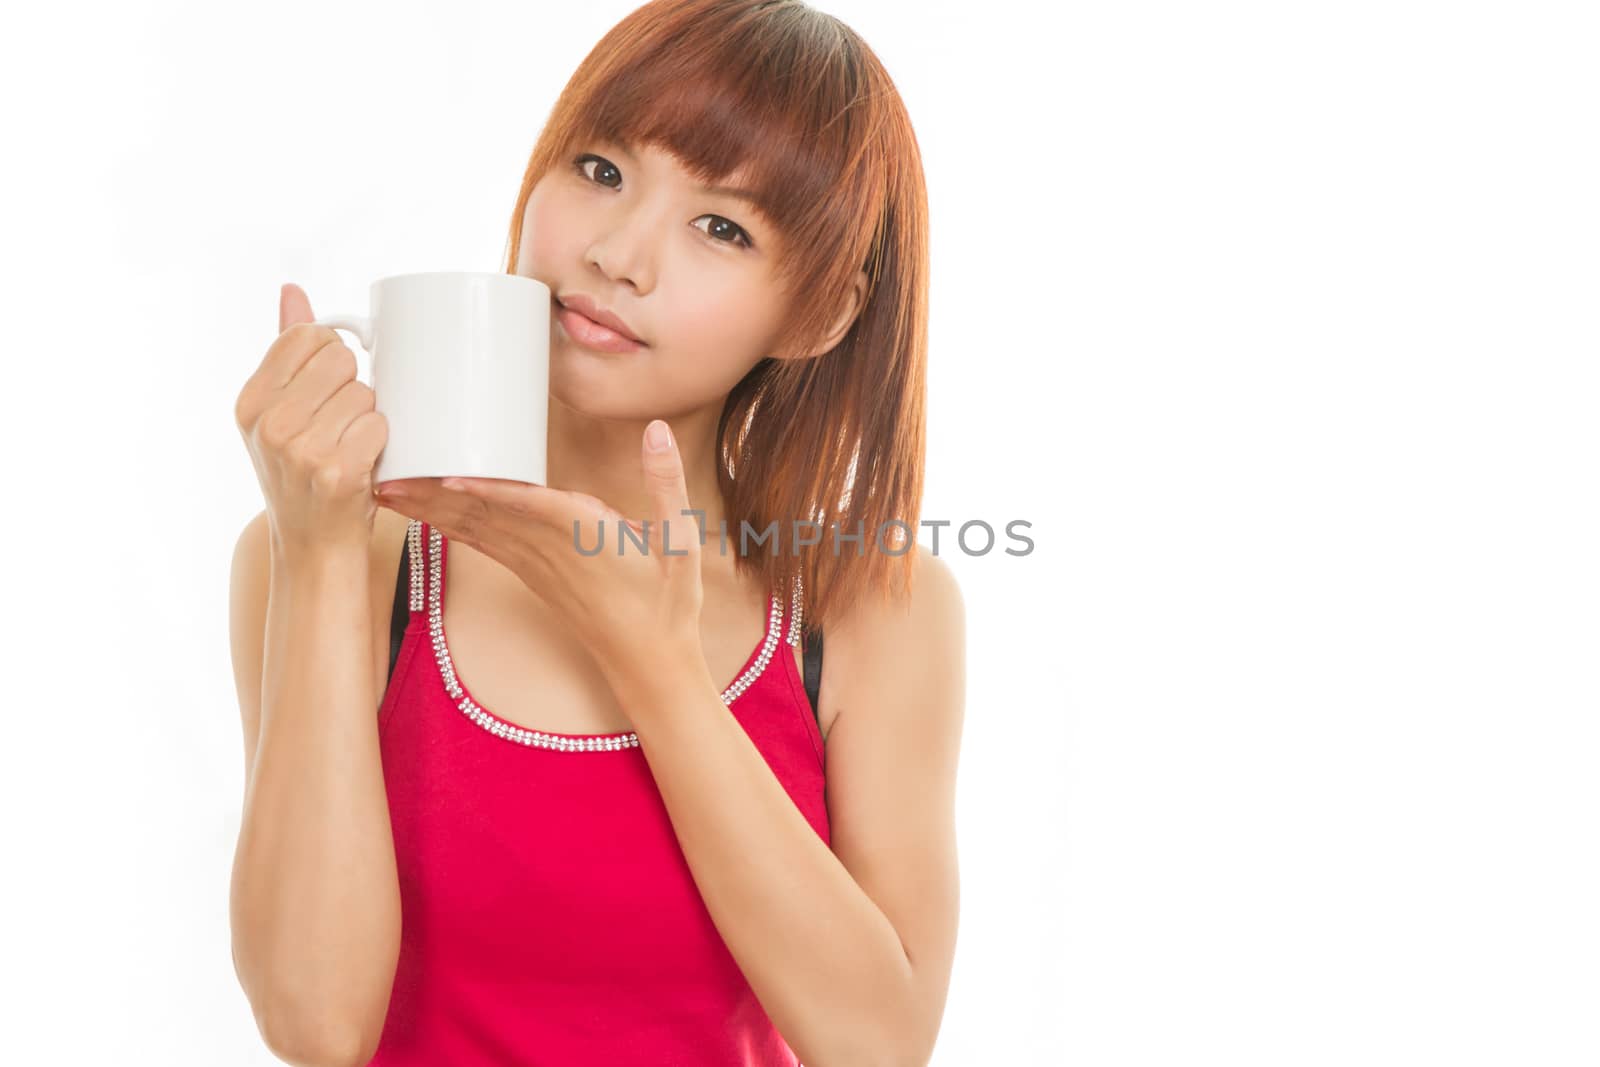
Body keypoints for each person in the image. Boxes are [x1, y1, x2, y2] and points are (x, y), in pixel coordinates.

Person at [228, 1, 965, 1063]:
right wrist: (319, 550)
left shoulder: (867, 605)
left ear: (819, 315)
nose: (619, 254)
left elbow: (878, 1042)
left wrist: (651, 659)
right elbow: (316, 1027)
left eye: (722, 226)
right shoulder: (333, 553)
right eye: (601, 170)